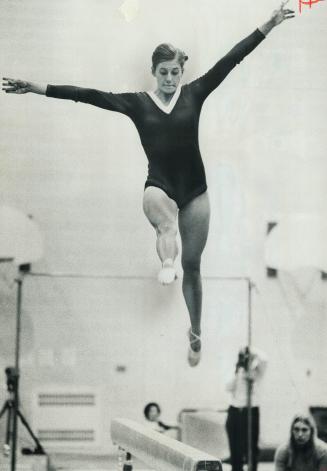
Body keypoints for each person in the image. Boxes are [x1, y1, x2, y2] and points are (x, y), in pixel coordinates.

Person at [2, 2, 294, 367]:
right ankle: (165, 261)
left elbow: (232, 59)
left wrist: (269, 24)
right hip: (158, 185)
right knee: (165, 223)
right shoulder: (138, 104)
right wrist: (37, 87)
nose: (170, 79)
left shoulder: (195, 93)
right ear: (153, 72)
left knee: (194, 265)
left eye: (175, 72)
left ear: (181, 71)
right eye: (163, 72)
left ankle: (196, 331)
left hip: (195, 191)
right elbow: (88, 95)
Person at [225, 347, 268, 471]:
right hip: (234, 410)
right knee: (235, 448)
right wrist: (238, 371)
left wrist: (252, 351)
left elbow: (264, 359)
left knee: (251, 448)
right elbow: (227, 387)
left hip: (250, 410)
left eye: (246, 357)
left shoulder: (257, 371)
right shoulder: (237, 371)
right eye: (242, 356)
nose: (245, 359)